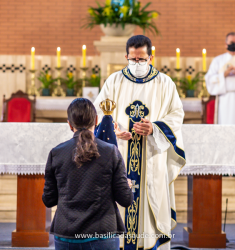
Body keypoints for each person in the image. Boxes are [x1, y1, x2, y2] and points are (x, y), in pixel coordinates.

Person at [94, 35, 186, 250]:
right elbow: (99, 111)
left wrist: (154, 128)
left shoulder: (164, 83)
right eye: (133, 59)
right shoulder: (114, 81)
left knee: (150, 202)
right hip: (120, 153)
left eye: (141, 59)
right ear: (126, 56)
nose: (137, 64)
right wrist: (114, 130)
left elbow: (176, 115)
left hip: (152, 155)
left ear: (151, 57)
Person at [42, 98, 134, 250]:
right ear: (96, 120)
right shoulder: (111, 151)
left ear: (70, 124)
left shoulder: (56, 153)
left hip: (66, 234)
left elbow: (49, 200)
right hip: (103, 233)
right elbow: (125, 199)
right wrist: (126, 185)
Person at [205, 32, 235, 124]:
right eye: (231, 42)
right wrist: (223, 74)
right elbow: (209, 79)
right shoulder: (218, 61)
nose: (234, 44)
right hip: (225, 100)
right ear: (226, 44)